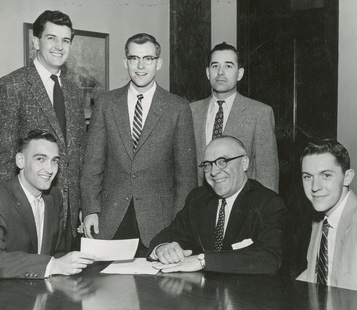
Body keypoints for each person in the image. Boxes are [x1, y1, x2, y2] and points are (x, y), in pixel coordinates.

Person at [80, 33, 197, 257]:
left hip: (159, 223)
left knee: (154, 291)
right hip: (111, 219)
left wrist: (179, 225)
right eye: (134, 58)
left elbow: (186, 177)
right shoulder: (105, 104)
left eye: (148, 59)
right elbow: (92, 164)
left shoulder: (178, 107)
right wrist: (90, 210)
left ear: (158, 63)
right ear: (126, 62)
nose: (141, 66)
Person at [0, 10, 85, 251]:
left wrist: (82, 206)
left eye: (66, 40)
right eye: (51, 38)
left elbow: (77, 155)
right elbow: (2, 158)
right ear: (36, 42)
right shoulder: (12, 85)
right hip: (29, 212)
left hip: (69, 215)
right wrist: (10, 213)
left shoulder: (73, 91)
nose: (59, 47)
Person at [150, 136, 286, 274]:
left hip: (246, 291)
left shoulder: (268, 203)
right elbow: (169, 235)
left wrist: (204, 261)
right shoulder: (198, 198)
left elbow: (270, 258)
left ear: (244, 163)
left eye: (222, 162)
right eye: (208, 165)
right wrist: (163, 248)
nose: (214, 172)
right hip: (201, 290)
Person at [0, 130, 94, 279]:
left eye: (54, 160)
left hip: (35, 290)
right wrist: (53, 265)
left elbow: (58, 253)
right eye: (40, 159)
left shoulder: (54, 197)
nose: (49, 169)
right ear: (20, 161)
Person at [297, 139, 357, 294]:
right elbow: (316, 274)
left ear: (347, 177)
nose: (315, 187)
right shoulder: (319, 221)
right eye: (307, 176)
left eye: (326, 175)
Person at [190, 42, 279, 192]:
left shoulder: (260, 113)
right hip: (199, 207)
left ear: (240, 74)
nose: (220, 72)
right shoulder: (190, 112)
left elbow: (267, 175)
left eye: (228, 66)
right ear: (207, 73)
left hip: (242, 209)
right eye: (215, 66)